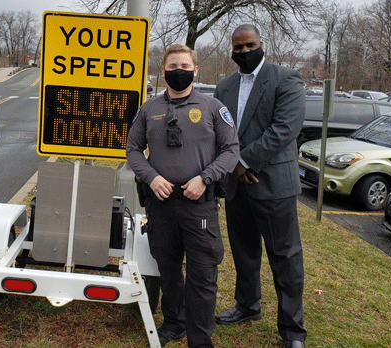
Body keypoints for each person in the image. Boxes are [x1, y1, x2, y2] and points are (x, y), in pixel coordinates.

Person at [126, 45, 239, 348]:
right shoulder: (148, 110)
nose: (179, 70)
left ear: (195, 70)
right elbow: (133, 150)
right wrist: (151, 177)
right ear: (163, 73)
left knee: (202, 275)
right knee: (169, 270)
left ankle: (200, 338)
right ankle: (174, 323)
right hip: (160, 204)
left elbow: (231, 151)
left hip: (198, 206)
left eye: (184, 65)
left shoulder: (214, 107)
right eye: (172, 65)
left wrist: (205, 178)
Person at [213, 24, 307, 348]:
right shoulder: (224, 86)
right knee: (244, 252)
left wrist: (242, 162)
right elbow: (217, 131)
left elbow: (285, 129)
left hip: (273, 185)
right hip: (236, 186)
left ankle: (293, 331)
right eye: (237, 48)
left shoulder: (286, 78)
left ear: (261, 43)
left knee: (285, 257)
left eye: (249, 45)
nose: (243, 52)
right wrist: (230, 168)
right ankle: (247, 306)